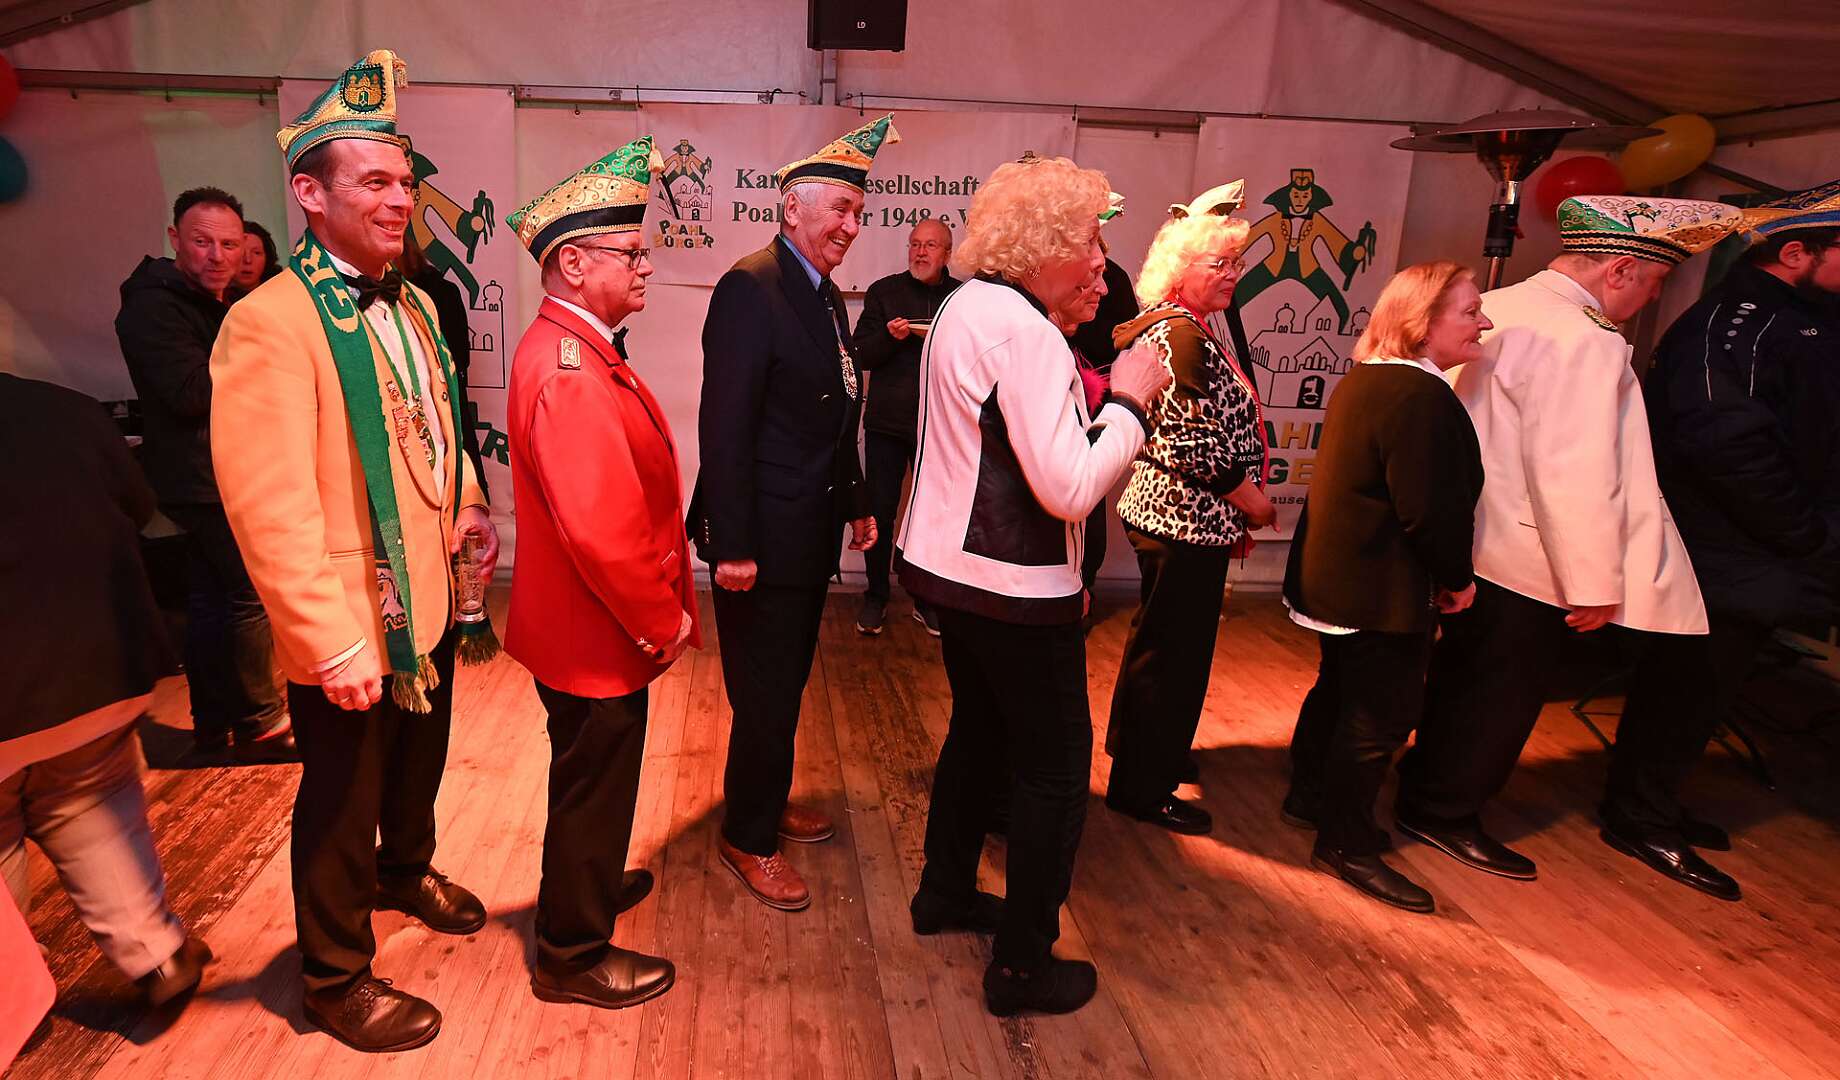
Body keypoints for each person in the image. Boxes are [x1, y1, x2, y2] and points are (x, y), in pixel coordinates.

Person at [210, 50, 500, 1052]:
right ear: (308, 194)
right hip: (348, 617)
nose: (401, 201)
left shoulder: (413, 301)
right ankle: (334, 977)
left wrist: (468, 503)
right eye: (374, 182)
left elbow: (439, 425)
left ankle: (403, 868)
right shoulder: (267, 323)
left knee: (418, 759)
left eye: (404, 181)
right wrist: (325, 641)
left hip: (427, 595)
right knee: (341, 799)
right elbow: (268, 506)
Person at [1394, 196, 1747, 900]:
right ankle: (1441, 810)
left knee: (1463, 679)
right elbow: (1572, 470)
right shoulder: (1584, 338)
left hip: (1473, 537)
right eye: (1654, 282)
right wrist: (1592, 582)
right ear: (1620, 270)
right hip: (1531, 553)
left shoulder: (1497, 305)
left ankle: (1426, 787)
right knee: (1501, 695)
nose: (1652, 299)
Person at [898, 155, 1171, 1017]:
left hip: (950, 574)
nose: (1102, 264)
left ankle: (944, 892)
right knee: (1053, 774)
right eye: (1090, 242)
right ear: (1042, 245)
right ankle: (1021, 968)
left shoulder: (967, 304)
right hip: (1011, 590)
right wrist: (1129, 402)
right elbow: (1069, 487)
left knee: (978, 735)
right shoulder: (1027, 332)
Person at [503, 136, 692, 1010]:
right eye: (631, 253)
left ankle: (588, 883)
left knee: (592, 779)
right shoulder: (571, 370)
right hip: (597, 634)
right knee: (594, 782)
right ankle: (571, 954)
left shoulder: (572, 346)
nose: (646, 266)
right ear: (573, 265)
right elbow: (604, 534)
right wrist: (662, 620)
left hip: (583, 627)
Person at [687, 116, 889, 912]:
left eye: (858, 212)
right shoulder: (752, 286)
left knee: (785, 682)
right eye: (839, 208)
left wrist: (857, 499)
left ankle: (764, 799)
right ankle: (749, 835)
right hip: (761, 540)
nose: (850, 225)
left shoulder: (823, 292)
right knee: (766, 690)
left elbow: (835, 408)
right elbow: (725, 426)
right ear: (791, 208)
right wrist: (732, 543)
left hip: (806, 529)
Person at [0, 374, 214, 1012]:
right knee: (89, 801)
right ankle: (157, 952)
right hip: (100, 664)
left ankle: (10, 995)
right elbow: (140, 507)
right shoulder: (66, 408)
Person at [1642, 184, 1840, 867]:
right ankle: (1639, 817)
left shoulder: (1802, 315)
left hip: (1761, 552)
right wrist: (1806, 534)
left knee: (1705, 693)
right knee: (1684, 689)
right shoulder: (1733, 324)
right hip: (1726, 551)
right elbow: (1728, 446)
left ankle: (1651, 803)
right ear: (1796, 253)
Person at [1281, 261, 1487, 914]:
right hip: (1378, 587)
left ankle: (1311, 797)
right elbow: (1429, 510)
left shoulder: (1368, 378)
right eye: (1470, 311)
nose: (1484, 322)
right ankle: (1344, 843)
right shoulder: (1419, 395)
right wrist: (1456, 579)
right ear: (1422, 324)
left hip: (1338, 580)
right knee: (1380, 718)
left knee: (1339, 690)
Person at [1103, 183, 1273, 837]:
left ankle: (1144, 753)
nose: (1232, 274)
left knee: (1159, 647)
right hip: (1182, 520)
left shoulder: (1182, 323)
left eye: (1236, 262)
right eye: (1218, 263)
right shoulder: (1179, 331)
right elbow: (1189, 437)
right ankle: (1142, 787)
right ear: (1180, 269)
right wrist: (1249, 499)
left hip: (1181, 518)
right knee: (1173, 657)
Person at [115, 187, 295, 763]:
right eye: (202, 242)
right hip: (202, 478)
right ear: (175, 239)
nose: (218, 256)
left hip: (223, 471)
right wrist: (265, 352)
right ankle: (262, 722)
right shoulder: (154, 306)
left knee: (214, 599)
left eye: (230, 245)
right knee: (248, 593)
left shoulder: (214, 302)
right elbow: (191, 393)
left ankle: (215, 726)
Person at [851, 218, 958, 637]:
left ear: (947, 253)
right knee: (879, 510)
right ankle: (876, 595)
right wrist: (890, 338)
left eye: (930, 245)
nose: (920, 252)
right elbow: (860, 354)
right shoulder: (884, 292)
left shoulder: (961, 297)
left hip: (941, 427)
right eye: (915, 244)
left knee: (933, 515)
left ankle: (926, 599)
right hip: (887, 423)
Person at [399, 229, 490, 500]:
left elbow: (458, 356)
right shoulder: (443, 289)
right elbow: (463, 356)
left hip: (435, 395)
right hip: (447, 392)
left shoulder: (426, 293)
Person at [232, 221, 282, 296]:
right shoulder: (216, 296)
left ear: (267, 258)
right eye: (241, 252)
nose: (248, 260)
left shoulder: (282, 291)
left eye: (256, 253)